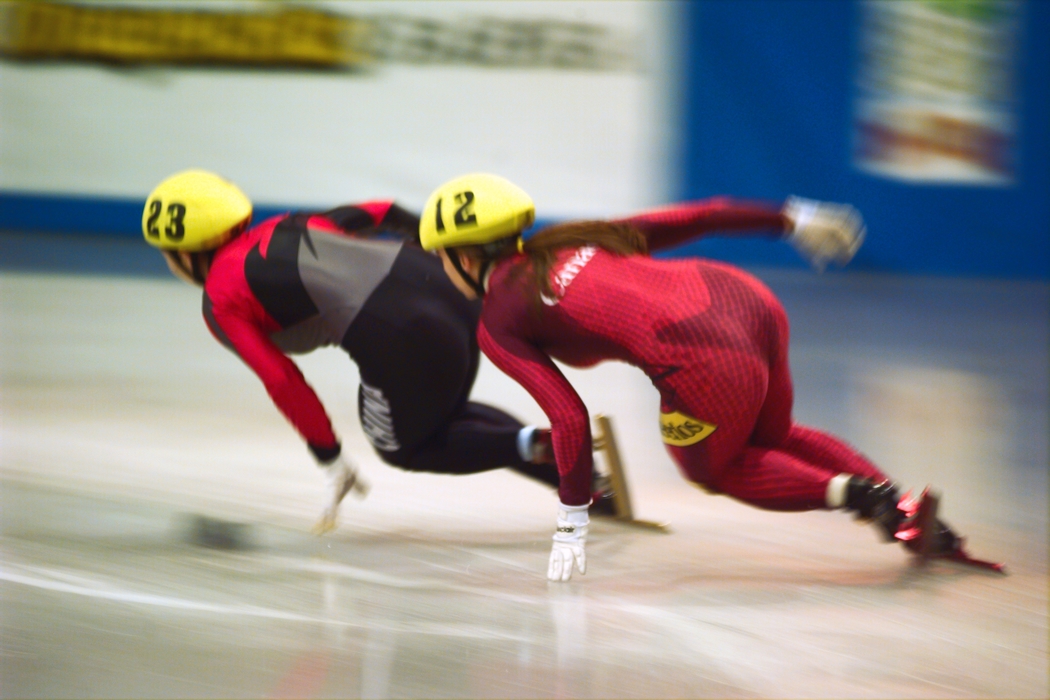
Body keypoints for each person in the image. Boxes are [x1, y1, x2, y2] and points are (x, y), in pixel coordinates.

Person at [418, 173, 969, 582]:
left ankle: (860, 496)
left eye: (442, 258)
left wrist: (571, 519)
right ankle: (903, 511)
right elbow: (702, 214)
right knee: (769, 441)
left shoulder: (497, 320)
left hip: (702, 356)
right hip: (747, 299)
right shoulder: (573, 237)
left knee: (714, 468)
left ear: (464, 258)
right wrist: (792, 220)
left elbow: (568, 417)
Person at [141, 169, 593, 532]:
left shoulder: (221, 300)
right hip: (450, 291)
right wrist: (447, 257)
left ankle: (546, 446)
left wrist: (330, 458)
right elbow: (385, 210)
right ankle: (582, 480)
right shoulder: (292, 223)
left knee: (403, 447)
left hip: (404, 335)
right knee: (438, 418)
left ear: (183, 254)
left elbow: (281, 379)